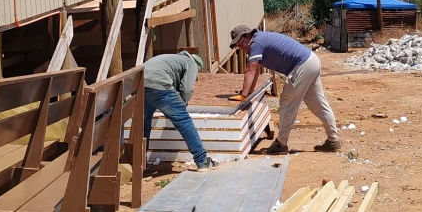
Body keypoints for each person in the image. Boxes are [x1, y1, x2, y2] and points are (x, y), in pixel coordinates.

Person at [229, 25, 341, 154]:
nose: (240, 46)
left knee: (287, 103)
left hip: (301, 65)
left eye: (240, 42)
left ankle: (281, 143)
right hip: (311, 61)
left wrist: (243, 96)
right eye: (237, 45)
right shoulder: (260, 39)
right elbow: (256, 70)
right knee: (319, 104)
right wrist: (249, 93)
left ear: (247, 35)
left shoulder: (256, 43)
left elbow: (250, 70)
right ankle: (333, 140)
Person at [143, 50, 219, 171]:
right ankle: (202, 161)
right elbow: (187, 89)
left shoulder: (173, 58)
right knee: (184, 120)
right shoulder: (192, 63)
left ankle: (140, 163)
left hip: (141, 83)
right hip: (160, 84)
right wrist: (181, 106)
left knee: (144, 123)